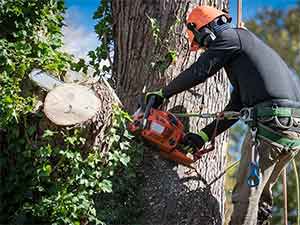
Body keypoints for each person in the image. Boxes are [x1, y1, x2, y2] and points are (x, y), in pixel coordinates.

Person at [145, 5, 300, 225]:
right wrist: (203, 136)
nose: (204, 49)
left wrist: (162, 93)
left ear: (207, 31)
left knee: (244, 199)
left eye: (202, 43)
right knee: (260, 201)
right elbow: (236, 107)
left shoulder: (230, 38)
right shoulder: (245, 50)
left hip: (271, 127)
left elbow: (200, 71)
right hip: (290, 130)